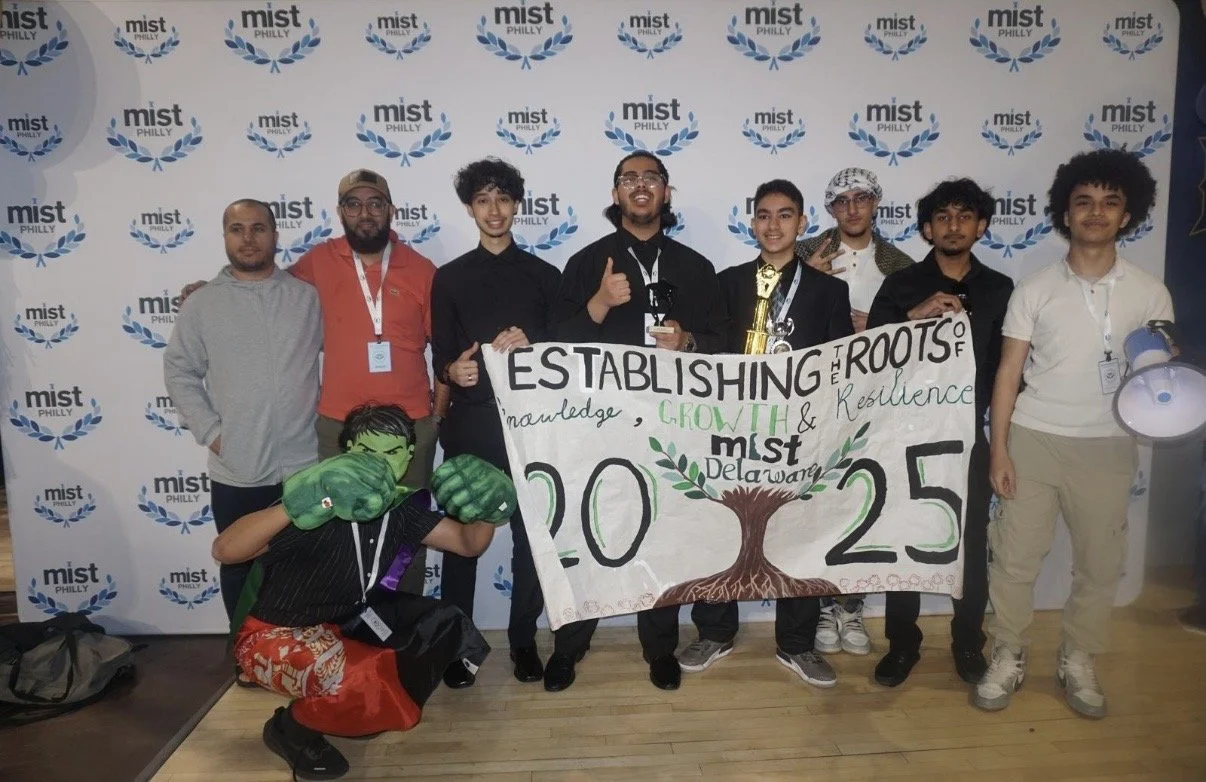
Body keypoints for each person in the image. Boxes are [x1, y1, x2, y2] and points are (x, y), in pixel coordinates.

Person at [214, 403, 517, 780]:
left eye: (392, 452)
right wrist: (294, 506)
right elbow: (226, 551)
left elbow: (467, 545)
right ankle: (290, 729)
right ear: (347, 451)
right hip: (273, 634)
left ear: (408, 457)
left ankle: (352, 705)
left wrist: (486, 509)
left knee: (441, 624)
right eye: (366, 451)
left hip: (343, 622)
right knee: (354, 682)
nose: (379, 462)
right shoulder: (318, 499)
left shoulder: (402, 507)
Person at [182, 170, 445, 597]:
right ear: (340, 212)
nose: (365, 213)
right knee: (335, 534)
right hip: (337, 426)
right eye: (354, 204)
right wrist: (210, 289)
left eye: (375, 203)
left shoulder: (422, 270)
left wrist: (437, 417)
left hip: (410, 424)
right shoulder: (316, 263)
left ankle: (403, 624)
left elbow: (446, 348)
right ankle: (343, 626)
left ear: (391, 210)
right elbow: (262, 283)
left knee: (406, 534)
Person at [978, 149, 1174, 718]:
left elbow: (1158, 377)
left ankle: (1079, 657)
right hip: (1034, 439)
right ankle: (1008, 652)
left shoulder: (1151, 292)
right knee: (1014, 559)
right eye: (1084, 201)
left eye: (1110, 202)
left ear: (1128, 215)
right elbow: (1008, 373)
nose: (1095, 212)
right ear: (1065, 213)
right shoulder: (1035, 288)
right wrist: (999, 449)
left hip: (1108, 445)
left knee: (1098, 562)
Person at [546, 150, 727, 692]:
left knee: (663, 538)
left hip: (674, 427)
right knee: (587, 534)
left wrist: (688, 341)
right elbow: (553, 347)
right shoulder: (587, 263)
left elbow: (726, 345)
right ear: (616, 193)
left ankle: (660, 649)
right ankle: (568, 647)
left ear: (666, 192)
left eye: (651, 178)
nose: (640, 186)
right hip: (598, 427)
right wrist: (600, 304)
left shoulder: (696, 267)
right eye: (630, 179)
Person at [678, 179, 854, 689]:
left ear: (802, 223)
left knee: (799, 532)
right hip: (730, 428)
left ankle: (797, 643)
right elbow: (709, 345)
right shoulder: (727, 282)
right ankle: (715, 632)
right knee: (720, 525)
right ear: (752, 222)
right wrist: (686, 342)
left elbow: (841, 363)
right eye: (764, 215)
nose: (773, 225)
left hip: (799, 431)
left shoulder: (828, 290)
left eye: (785, 215)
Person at [866, 178, 1014, 688]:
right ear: (927, 229)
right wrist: (914, 318)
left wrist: (997, 440)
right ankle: (902, 644)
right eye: (943, 217)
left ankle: (968, 641)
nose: (954, 226)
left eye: (964, 216)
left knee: (971, 541)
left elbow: (1007, 372)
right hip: (906, 433)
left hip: (968, 435)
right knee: (905, 538)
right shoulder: (901, 285)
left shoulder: (1000, 289)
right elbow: (868, 359)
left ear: (982, 226)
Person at [164, 199, 321, 645]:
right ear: (225, 237)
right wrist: (213, 434)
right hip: (237, 468)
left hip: (305, 465)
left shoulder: (307, 298)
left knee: (303, 565)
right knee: (239, 566)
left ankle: (298, 655)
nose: (248, 238)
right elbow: (179, 371)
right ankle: (245, 654)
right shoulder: (203, 304)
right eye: (237, 229)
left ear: (275, 235)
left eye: (258, 228)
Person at [430, 158, 562, 689]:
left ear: (516, 205)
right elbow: (442, 355)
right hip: (472, 425)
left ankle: (523, 640)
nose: (494, 210)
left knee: (531, 541)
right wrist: (452, 371)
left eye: (503, 199)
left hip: (532, 427)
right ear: (469, 208)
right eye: (483, 200)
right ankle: (458, 646)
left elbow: (566, 357)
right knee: (463, 540)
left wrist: (536, 343)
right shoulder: (449, 277)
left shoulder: (545, 276)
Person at [793, 167, 915, 655]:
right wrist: (805, 280)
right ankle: (822, 605)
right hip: (814, 396)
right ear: (830, 209)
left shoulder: (901, 264)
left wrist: (878, 324)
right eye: (842, 201)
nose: (852, 208)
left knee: (863, 499)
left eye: (861, 198)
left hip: (874, 399)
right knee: (818, 499)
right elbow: (769, 312)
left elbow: (916, 336)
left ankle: (852, 606)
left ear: (875, 203)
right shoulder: (805, 253)